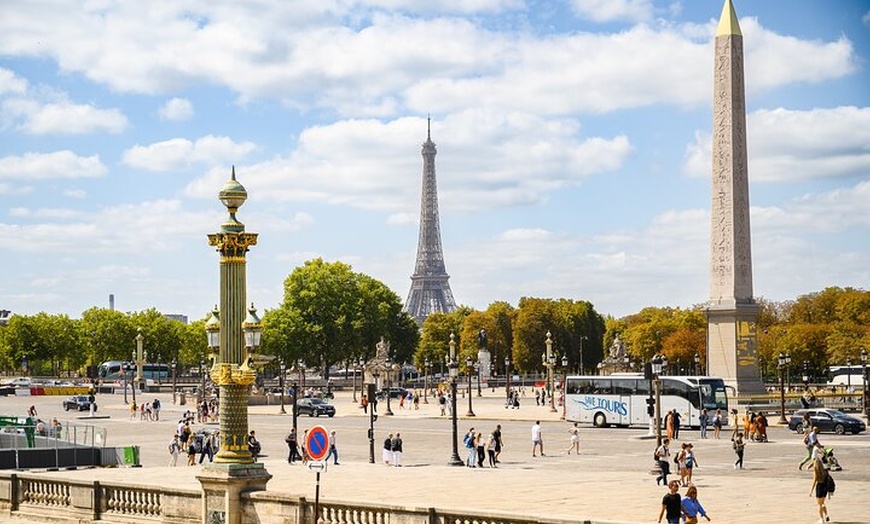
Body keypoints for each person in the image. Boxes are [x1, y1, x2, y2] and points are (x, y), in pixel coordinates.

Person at [810, 457, 832, 523]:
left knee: (819, 504)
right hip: (825, 487)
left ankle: (821, 519)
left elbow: (814, 482)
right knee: (822, 503)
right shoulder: (825, 471)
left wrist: (811, 491)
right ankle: (826, 515)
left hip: (819, 487)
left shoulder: (816, 471)